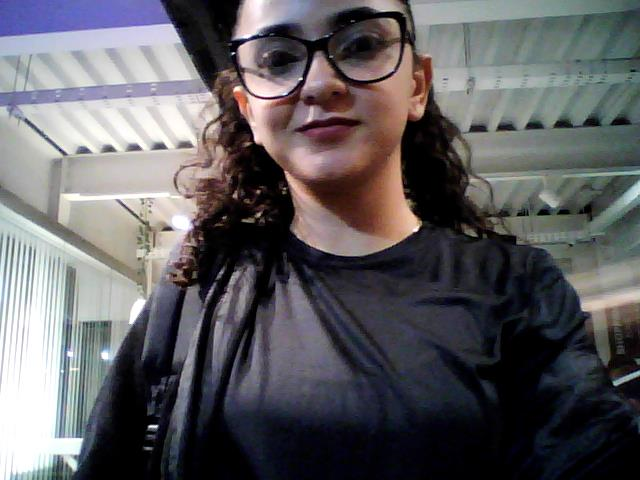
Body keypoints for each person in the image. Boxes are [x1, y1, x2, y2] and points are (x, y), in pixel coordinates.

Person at [75, 0, 640, 478]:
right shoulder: (201, 281)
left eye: (362, 45)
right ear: (248, 109)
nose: (320, 83)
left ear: (416, 84)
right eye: (277, 59)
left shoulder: (516, 287)